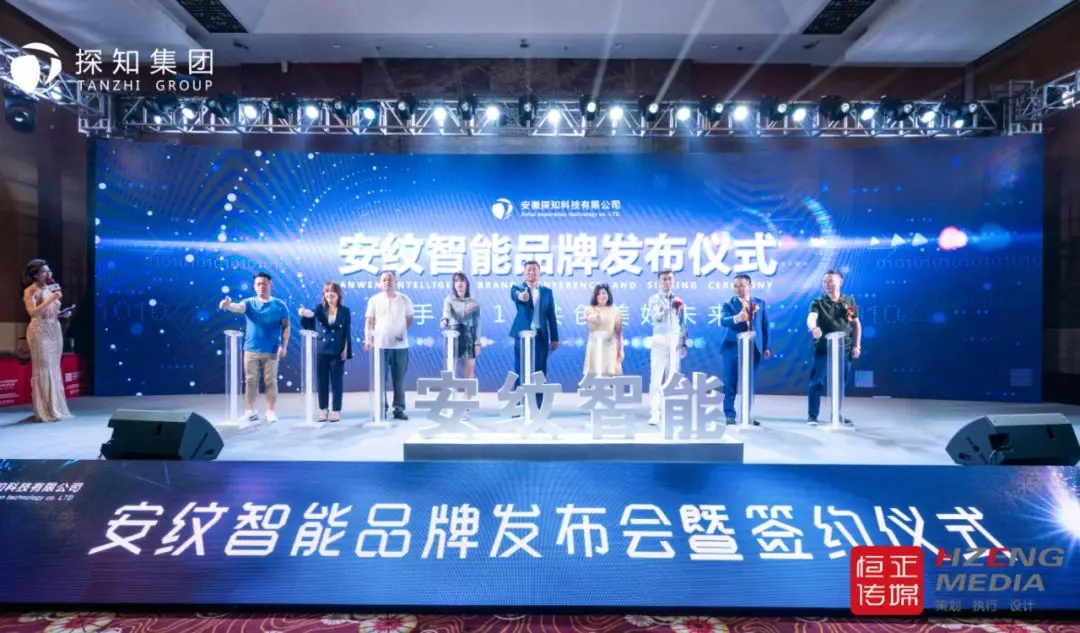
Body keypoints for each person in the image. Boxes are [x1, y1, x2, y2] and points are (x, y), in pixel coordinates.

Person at [219, 271, 290, 424]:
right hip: (250, 350)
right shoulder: (249, 302)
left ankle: (270, 412)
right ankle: (250, 411)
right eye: (258, 284)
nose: (261, 286)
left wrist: (284, 346)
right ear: (254, 286)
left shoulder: (280, 305)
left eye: (264, 284)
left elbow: (286, 326)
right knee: (250, 381)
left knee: (271, 381)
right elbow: (238, 307)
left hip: (271, 350)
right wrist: (228, 305)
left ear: (270, 285)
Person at [806, 269, 860, 427]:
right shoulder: (818, 303)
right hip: (824, 349)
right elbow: (811, 318)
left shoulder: (848, 301)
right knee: (817, 382)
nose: (827, 284)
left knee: (840, 383)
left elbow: (855, 324)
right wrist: (813, 328)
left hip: (844, 349)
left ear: (840, 282)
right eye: (825, 281)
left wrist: (856, 345)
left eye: (831, 281)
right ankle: (812, 416)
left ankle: (836, 414)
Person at [21, 259, 73, 423]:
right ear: (35, 275)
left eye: (49, 271)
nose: (48, 274)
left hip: (54, 330)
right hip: (39, 331)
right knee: (43, 367)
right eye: (44, 271)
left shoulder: (51, 288)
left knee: (53, 367)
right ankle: (43, 409)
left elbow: (51, 311)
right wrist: (51, 299)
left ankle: (54, 407)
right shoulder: (30, 291)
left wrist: (62, 314)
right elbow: (33, 312)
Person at [719, 274, 771, 425]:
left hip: (754, 348)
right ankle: (730, 414)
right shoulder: (728, 304)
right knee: (730, 382)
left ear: (750, 286)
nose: (739, 289)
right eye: (736, 286)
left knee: (748, 383)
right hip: (732, 348)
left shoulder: (760, 303)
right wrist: (737, 318)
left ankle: (746, 415)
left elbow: (765, 326)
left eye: (742, 285)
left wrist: (766, 346)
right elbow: (723, 320)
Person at [299, 281, 353, 422]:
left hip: (337, 351)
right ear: (324, 294)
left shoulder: (345, 311)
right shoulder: (319, 308)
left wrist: (346, 349)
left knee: (337, 382)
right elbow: (310, 315)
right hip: (321, 350)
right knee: (321, 381)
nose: (330, 294)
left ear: (338, 294)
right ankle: (323, 409)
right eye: (327, 291)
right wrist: (303, 313)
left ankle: (336, 410)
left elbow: (347, 331)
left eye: (333, 291)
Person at [509, 260, 560, 408]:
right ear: (524, 273)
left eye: (534, 270)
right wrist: (521, 296)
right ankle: (518, 403)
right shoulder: (517, 288)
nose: (531, 272)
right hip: (522, 337)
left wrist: (555, 337)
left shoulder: (547, 292)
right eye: (528, 270)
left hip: (540, 336)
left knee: (539, 370)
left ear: (539, 272)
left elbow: (551, 316)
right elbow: (516, 295)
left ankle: (538, 405)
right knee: (520, 369)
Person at [364, 270, 414, 421]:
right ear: (380, 283)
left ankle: (399, 409)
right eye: (384, 280)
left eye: (390, 280)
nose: (387, 282)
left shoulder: (404, 299)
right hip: (380, 345)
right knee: (380, 380)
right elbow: (369, 321)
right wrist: (367, 339)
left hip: (400, 346)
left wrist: (401, 331)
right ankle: (381, 409)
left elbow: (409, 319)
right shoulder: (374, 300)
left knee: (399, 380)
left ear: (396, 282)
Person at [645, 269, 687, 425]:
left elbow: (682, 324)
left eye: (670, 279)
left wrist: (683, 342)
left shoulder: (679, 301)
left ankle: (669, 411)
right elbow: (655, 317)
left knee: (673, 378)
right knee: (656, 378)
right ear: (659, 281)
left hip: (674, 341)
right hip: (660, 340)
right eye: (664, 279)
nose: (668, 282)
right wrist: (664, 311)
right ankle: (655, 413)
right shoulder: (654, 299)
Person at [440, 271, 482, 381]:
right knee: (451, 369)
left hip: (468, 336)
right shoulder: (449, 299)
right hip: (453, 335)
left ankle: (469, 391)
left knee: (469, 370)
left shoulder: (474, 302)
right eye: (456, 281)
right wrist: (444, 320)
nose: (459, 283)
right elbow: (446, 313)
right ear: (454, 285)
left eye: (462, 281)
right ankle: (450, 390)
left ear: (466, 283)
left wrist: (477, 342)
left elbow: (477, 323)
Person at [582, 283, 623, 376]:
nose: (601, 296)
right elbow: (589, 319)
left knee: (609, 373)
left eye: (604, 293)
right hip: (595, 345)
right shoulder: (590, 309)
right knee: (594, 373)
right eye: (599, 294)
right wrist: (595, 317)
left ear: (608, 295)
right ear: (595, 296)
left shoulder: (615, 311)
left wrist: (621, 349)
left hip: (610, 345)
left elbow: (619, 332)